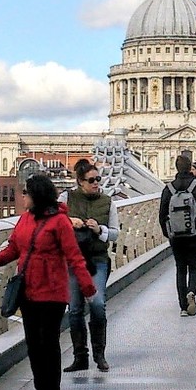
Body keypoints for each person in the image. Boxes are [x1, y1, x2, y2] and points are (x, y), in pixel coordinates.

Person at [0, 173, 97, 390]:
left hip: (52, 293)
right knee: (34, 345)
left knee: (49, 344)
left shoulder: (60, 222)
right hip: (28, 291)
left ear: (36, 195)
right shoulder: (25, 219)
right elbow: (14, 247)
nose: (22, 197)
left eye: (25, 193)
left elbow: (74, 256)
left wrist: (87, 287)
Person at [63, 160, 117, 373]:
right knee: (75, 309)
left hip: (97, 260)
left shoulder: (108, 202)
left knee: (97, 304)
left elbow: (115, 232)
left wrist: (100, 229)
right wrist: (70, 222)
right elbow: (55, 221)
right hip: (74, 261)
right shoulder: (66, 199)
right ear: (80, 182)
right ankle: (80, 357)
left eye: (98, 179)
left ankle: (99, 354)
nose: (96, 183)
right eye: (91, 180)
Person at [157, 154, 196, 316]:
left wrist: (169, 234)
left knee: (181, 269)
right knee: (194, 267)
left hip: (176, 236)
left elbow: (162, 215)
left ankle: (182, 307)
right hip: (195, 235)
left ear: (176, 168)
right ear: (190, 168)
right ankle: (192, 292)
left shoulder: (169, 188)